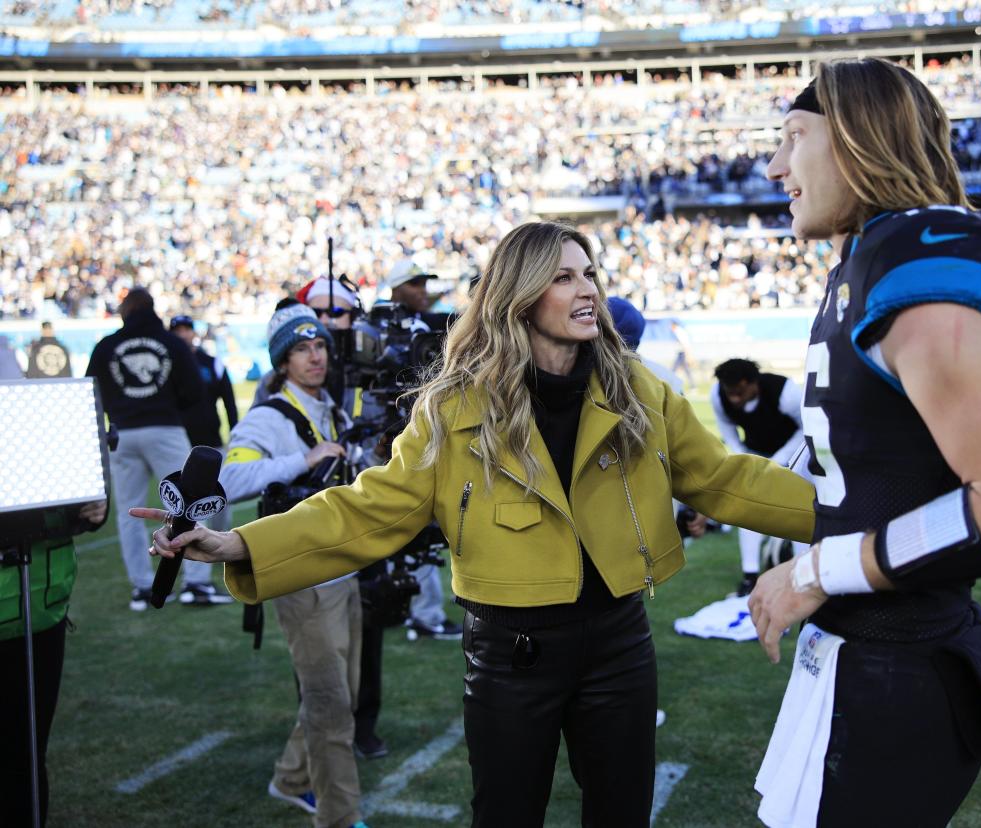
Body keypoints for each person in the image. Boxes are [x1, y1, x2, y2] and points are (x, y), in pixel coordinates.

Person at [136, 221, 816, 827]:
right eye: (564, 277)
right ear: (520, 296)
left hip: (619, 643)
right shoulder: (453, 407)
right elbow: (369, 509)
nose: (588, 292)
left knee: (621, 813)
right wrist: (239, 542)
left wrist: (843, 515)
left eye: (591, 275)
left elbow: (722, 478)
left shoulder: (638, 390)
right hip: (509, 654)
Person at [751, 59, 981, 827]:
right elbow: (858, 453)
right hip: (859, 652)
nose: (775, 165)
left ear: (857, 140)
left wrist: (815, 570)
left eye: (793, 138)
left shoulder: (917, 262)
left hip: (899, 666)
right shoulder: (865, 260)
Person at [215, 303, 368, 828]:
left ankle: (291, 777)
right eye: (302, 348)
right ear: (282, 361)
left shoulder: (334, 409)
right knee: (330, 709)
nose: (315, 356)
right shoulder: (268, 417)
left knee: (338, 695)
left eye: (320, 345)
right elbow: (230, 482)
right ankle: (340, 817)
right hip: (304, 577)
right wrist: (302, 460)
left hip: (343, 570)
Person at [85, 288, 220, 610]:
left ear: (125, 311)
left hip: (123, 434)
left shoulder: (107, 346)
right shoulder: (171, 343)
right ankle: (196, 584)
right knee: (191, 504)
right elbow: (193, 390)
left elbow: (90, 390)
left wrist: (120, 410)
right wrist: (166, 406)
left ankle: (143, 588)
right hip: (165, 428)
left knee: (129, 513)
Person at [0, 501, 107, 828]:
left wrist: (91, 504)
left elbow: (87, 499)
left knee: (25, 759)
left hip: (40, 607)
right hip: (37, 602)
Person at [382, 261, 464, 643]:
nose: (421, 290)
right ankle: (424, 612)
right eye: (413, 284)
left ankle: (418, 606)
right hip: (396, 434)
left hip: (425, 428)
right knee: (413, 519)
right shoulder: (382, 328)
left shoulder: (432, 324)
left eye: (423, 283)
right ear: (395, 289)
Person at [710, 358, 804, 596]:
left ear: (754, 384)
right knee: (749, 509)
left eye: (739, 392)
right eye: (730, 393)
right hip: (757, 454)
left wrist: (780, 459)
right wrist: (744, 458)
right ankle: (750, 575)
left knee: (800, 512)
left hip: (797, 455)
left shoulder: (786, 392)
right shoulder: (718, 395)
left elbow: (807, 428)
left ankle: (804, 576)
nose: (734, 399)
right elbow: (727, 429)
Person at [169, 314, 240, 586]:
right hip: (182, 444)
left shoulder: (211, 362)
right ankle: (186, 545)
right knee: (183, 502)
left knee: (220, 498)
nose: (183, 334)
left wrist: (235, 431)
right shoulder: (169, 367)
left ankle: (222, 543)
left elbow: (229, 399)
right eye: (178, 330)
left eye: (187, 329)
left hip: (212, 442)